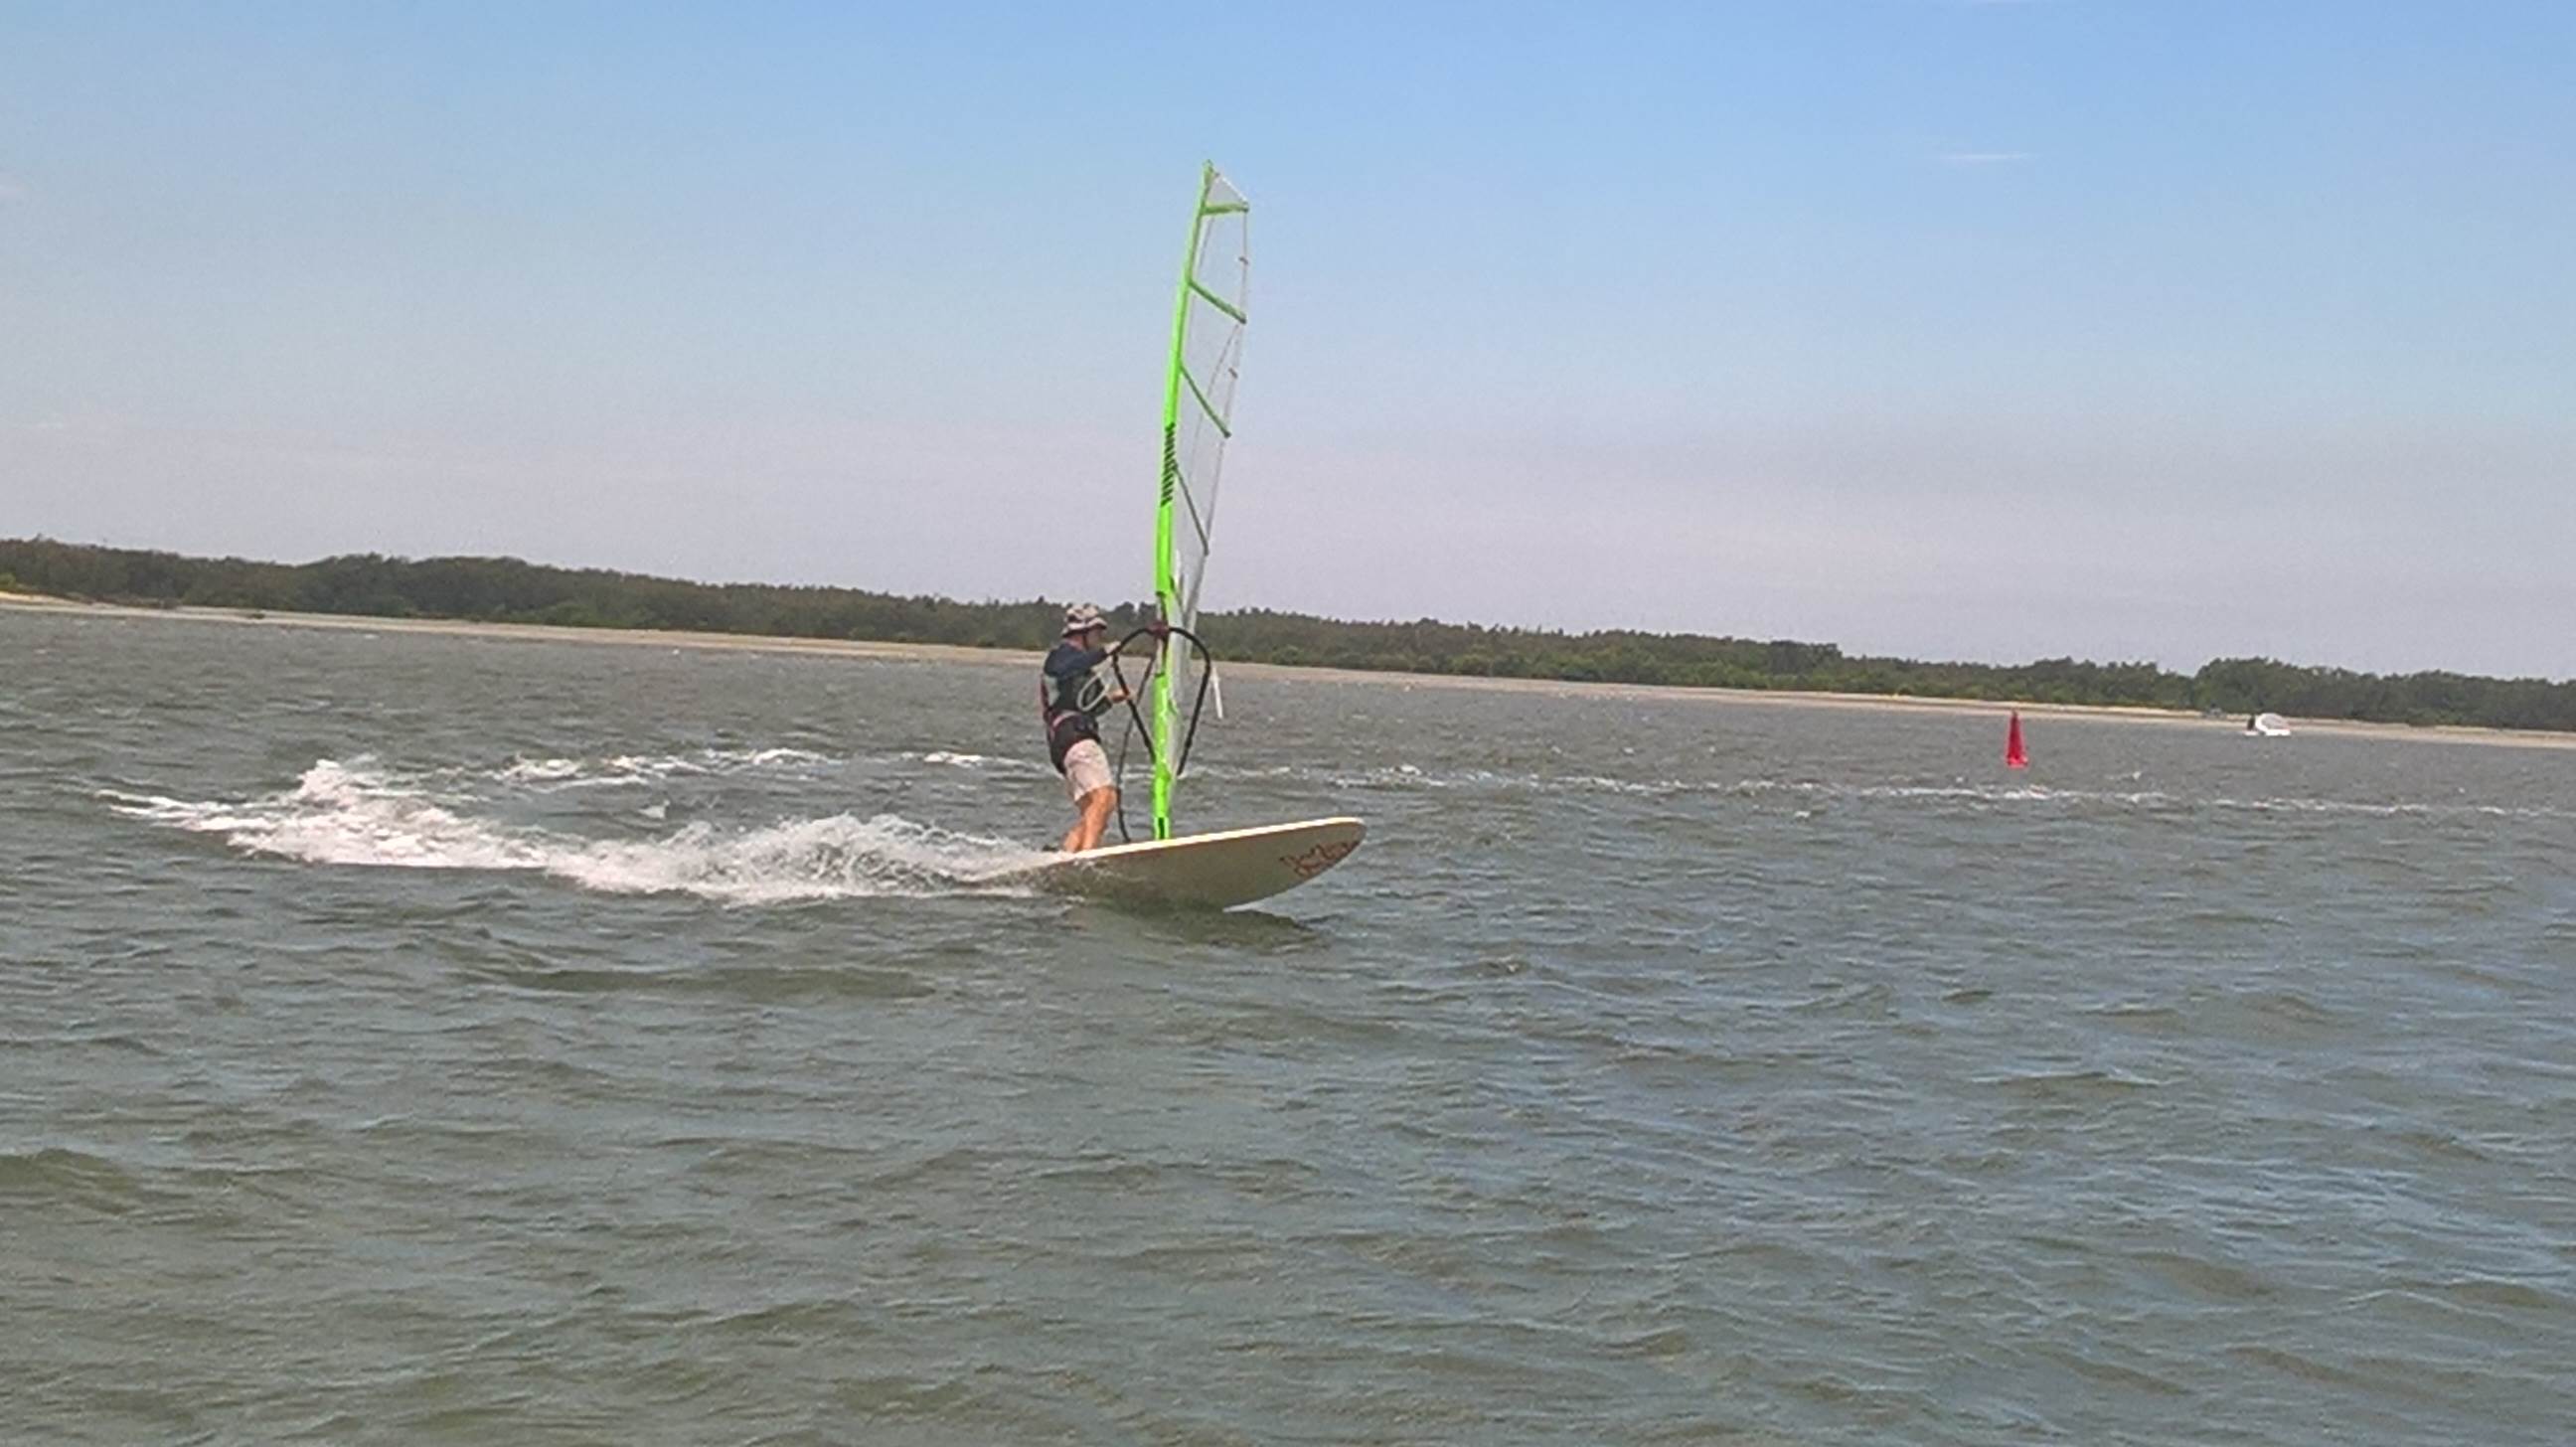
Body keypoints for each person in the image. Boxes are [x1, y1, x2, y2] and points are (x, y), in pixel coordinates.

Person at [1040, 604, 1162, 852]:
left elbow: (1088, 704)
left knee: (1096, 809)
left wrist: (1113, 698)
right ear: (1082, 633)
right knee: (1104, 797)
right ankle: (1087, 858)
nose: (1100, 638)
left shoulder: (1081, 670)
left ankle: (1068, 855)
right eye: (1097, 633)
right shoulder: (1061, 656)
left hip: (1068, 740)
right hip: (1074, 737)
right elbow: (1063, 669)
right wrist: (1104, 653)